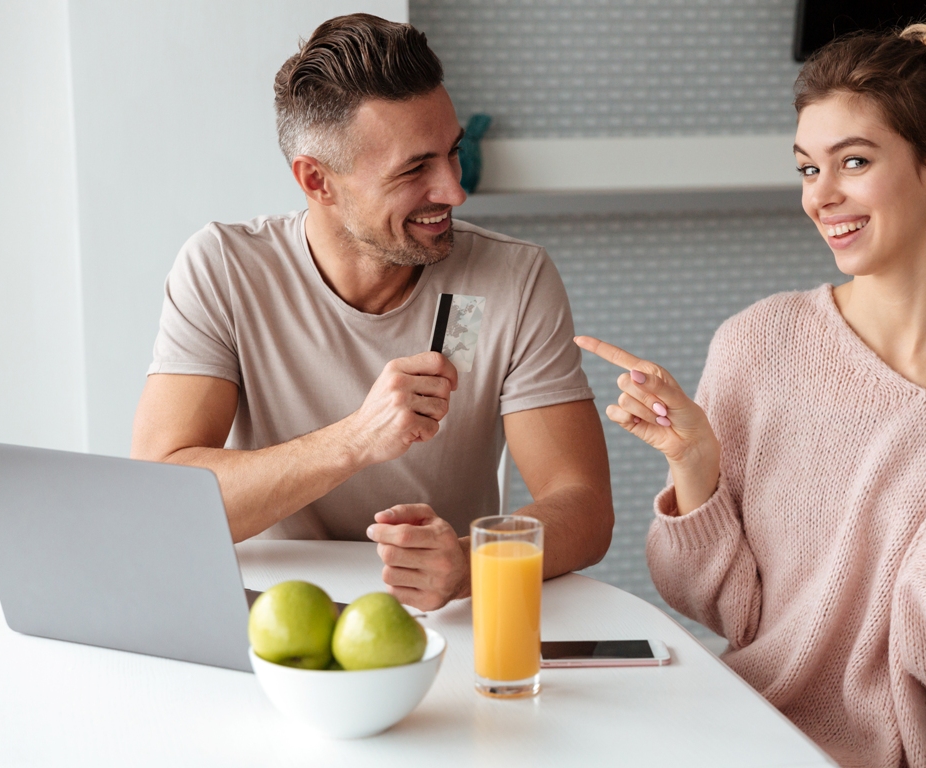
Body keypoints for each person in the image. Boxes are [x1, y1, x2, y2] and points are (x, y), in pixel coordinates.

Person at [577, 16, 926, 768]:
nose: (820, 197)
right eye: (807, 169)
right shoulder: (758, 342)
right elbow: (732, 614)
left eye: (853, 162)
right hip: (748, 720)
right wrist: (695, 468)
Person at [131, 14, 613, 612]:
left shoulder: (512, 278)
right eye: (415, 169)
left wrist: (471, 562)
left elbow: (583, 504)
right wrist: (357, 439)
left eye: (452, 153)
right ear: (317, 180)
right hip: (272, 615)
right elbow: (162, 498)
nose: (454, 191)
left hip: (443, 619)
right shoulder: (224, 268)